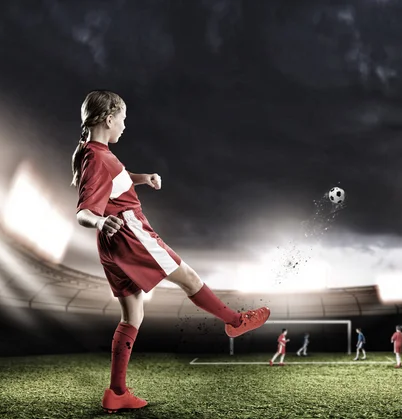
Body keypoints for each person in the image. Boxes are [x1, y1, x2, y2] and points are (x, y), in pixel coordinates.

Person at [72, 90, 270, 413]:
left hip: (112, 245)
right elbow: (83, 211)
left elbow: (115, 181)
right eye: (122, 119)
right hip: (129, 233)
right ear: (109, 119)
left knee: (133, 315)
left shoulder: (93, 152)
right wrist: (99, 222)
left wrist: (141, 178)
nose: (124, 125)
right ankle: (235, 320)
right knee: (188, 277)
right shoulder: (97, 157)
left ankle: (117, 392)